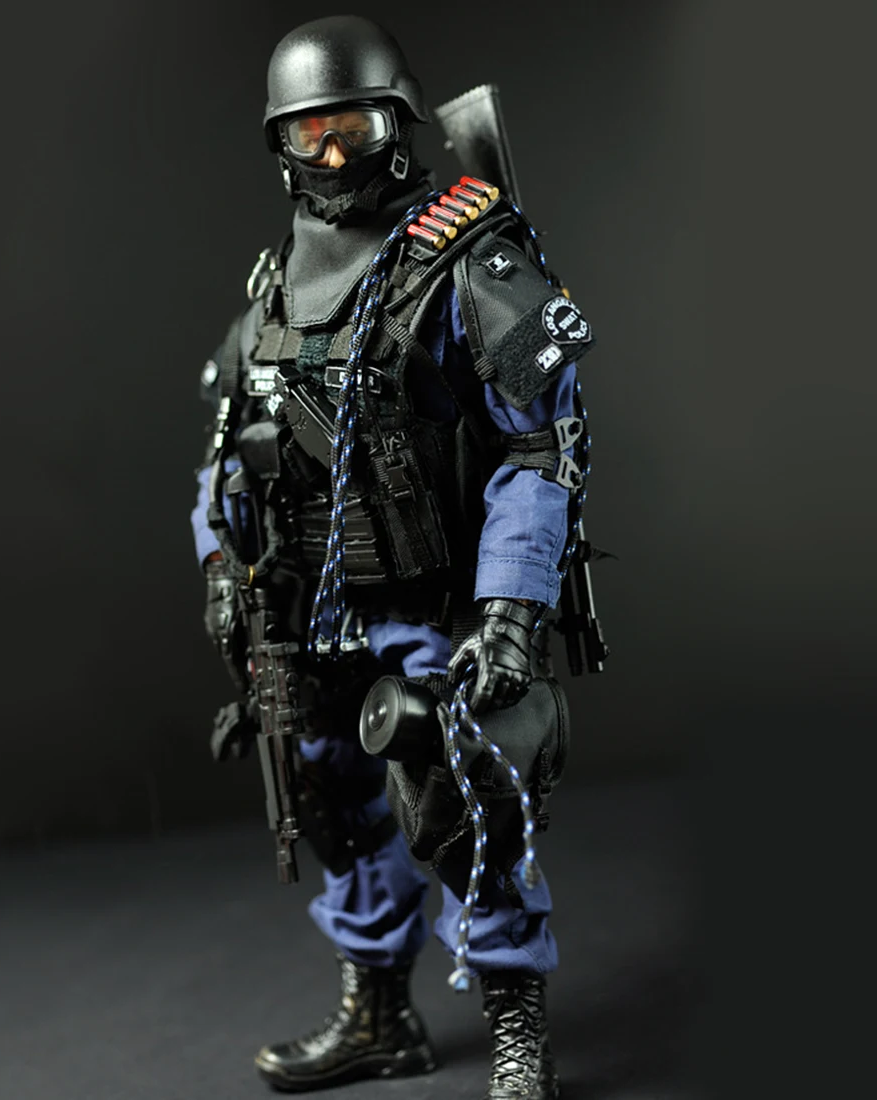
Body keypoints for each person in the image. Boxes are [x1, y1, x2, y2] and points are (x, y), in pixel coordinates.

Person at [190, 15, 599, 1100]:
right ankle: (379, 1014)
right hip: (307, 607)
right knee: (328, 797)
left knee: (464, 802)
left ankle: (514, 1019)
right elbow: (224, 454)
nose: (333, 156)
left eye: (354, 129)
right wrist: (223, 568)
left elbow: (539, 446)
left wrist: (508, 610)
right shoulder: (274, 290)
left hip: (433, 598)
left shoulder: (465, 255)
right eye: (309, 134)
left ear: (399, 124)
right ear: (281, 144)